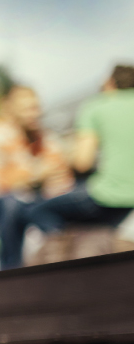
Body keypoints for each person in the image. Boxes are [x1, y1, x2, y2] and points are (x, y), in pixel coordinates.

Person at [25, 65, 134, 262]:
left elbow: (82, 162)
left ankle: (63, 262)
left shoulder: (97, 106)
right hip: (128, 201)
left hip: (109, 193)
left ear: (110, 84)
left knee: (38, 210)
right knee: (96, 230)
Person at [0, 85, 75, 270]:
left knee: (68, 203)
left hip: (29, 203)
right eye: (27, 108)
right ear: (7, 107)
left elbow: (62, 178)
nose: (34, 114)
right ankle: (10, 269)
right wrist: (36, 175)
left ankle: (64, 262)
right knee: (9, 202)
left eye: (36, 107)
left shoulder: (45, 137)